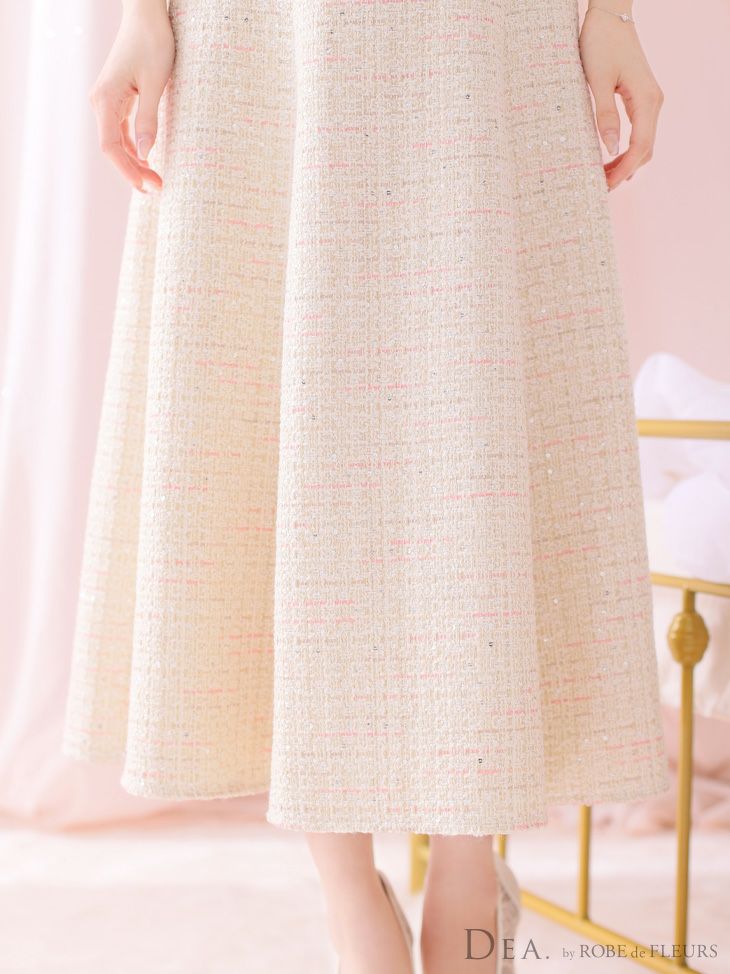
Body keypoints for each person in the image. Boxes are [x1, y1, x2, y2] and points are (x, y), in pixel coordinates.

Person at [66, 1, 669, 972]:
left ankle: (469, 870)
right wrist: (143, 14)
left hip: (485, 31)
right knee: (285, 426)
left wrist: (611, 11)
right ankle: (349, 887)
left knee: (473, 425)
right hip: (264, 28)